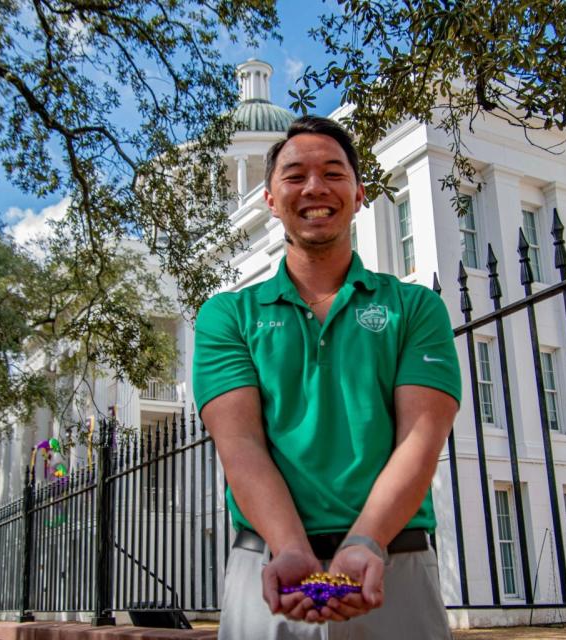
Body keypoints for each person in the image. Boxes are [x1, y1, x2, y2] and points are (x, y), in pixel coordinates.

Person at [192, 115, 461, 639]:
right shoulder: (228, 315)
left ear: (359, 193)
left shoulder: (415, 307)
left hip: (393, 563)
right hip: (270, 570)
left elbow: (420, 440)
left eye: (333, 173)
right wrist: (291, 547)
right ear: (270, 200)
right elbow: (239, 443)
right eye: (294, 176)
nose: (315, 187)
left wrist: (365, 543)